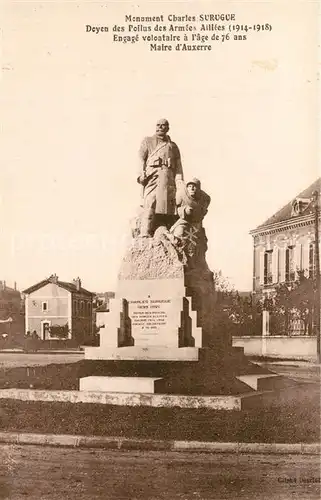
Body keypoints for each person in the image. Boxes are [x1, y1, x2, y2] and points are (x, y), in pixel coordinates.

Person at [137, 119, 184, 237]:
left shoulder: (173, 146)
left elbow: (178, 167)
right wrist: (141, 173)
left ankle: (166, 231)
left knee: (169, 206)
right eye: (158, 125)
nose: (161, 127)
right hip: (153, 176)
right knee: (150, 201)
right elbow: (141, 159)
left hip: (168, 179)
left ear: (168, 128)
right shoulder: (147, 141)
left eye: (164, 125)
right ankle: (145, 232)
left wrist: (179, 181)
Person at [170, 178, 211, 259]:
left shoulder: (204, 198)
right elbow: (175, 209)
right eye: (189, 186)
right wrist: (184, 210)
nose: (192, 188)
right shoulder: (181, 195)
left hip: (196, 223)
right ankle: (177, 255)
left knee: (196, 243)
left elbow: (205, 208)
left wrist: (202, 211)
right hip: (184, 221)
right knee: (179, 233)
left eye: (194, 186)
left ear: (198, 188)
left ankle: (193, 261)